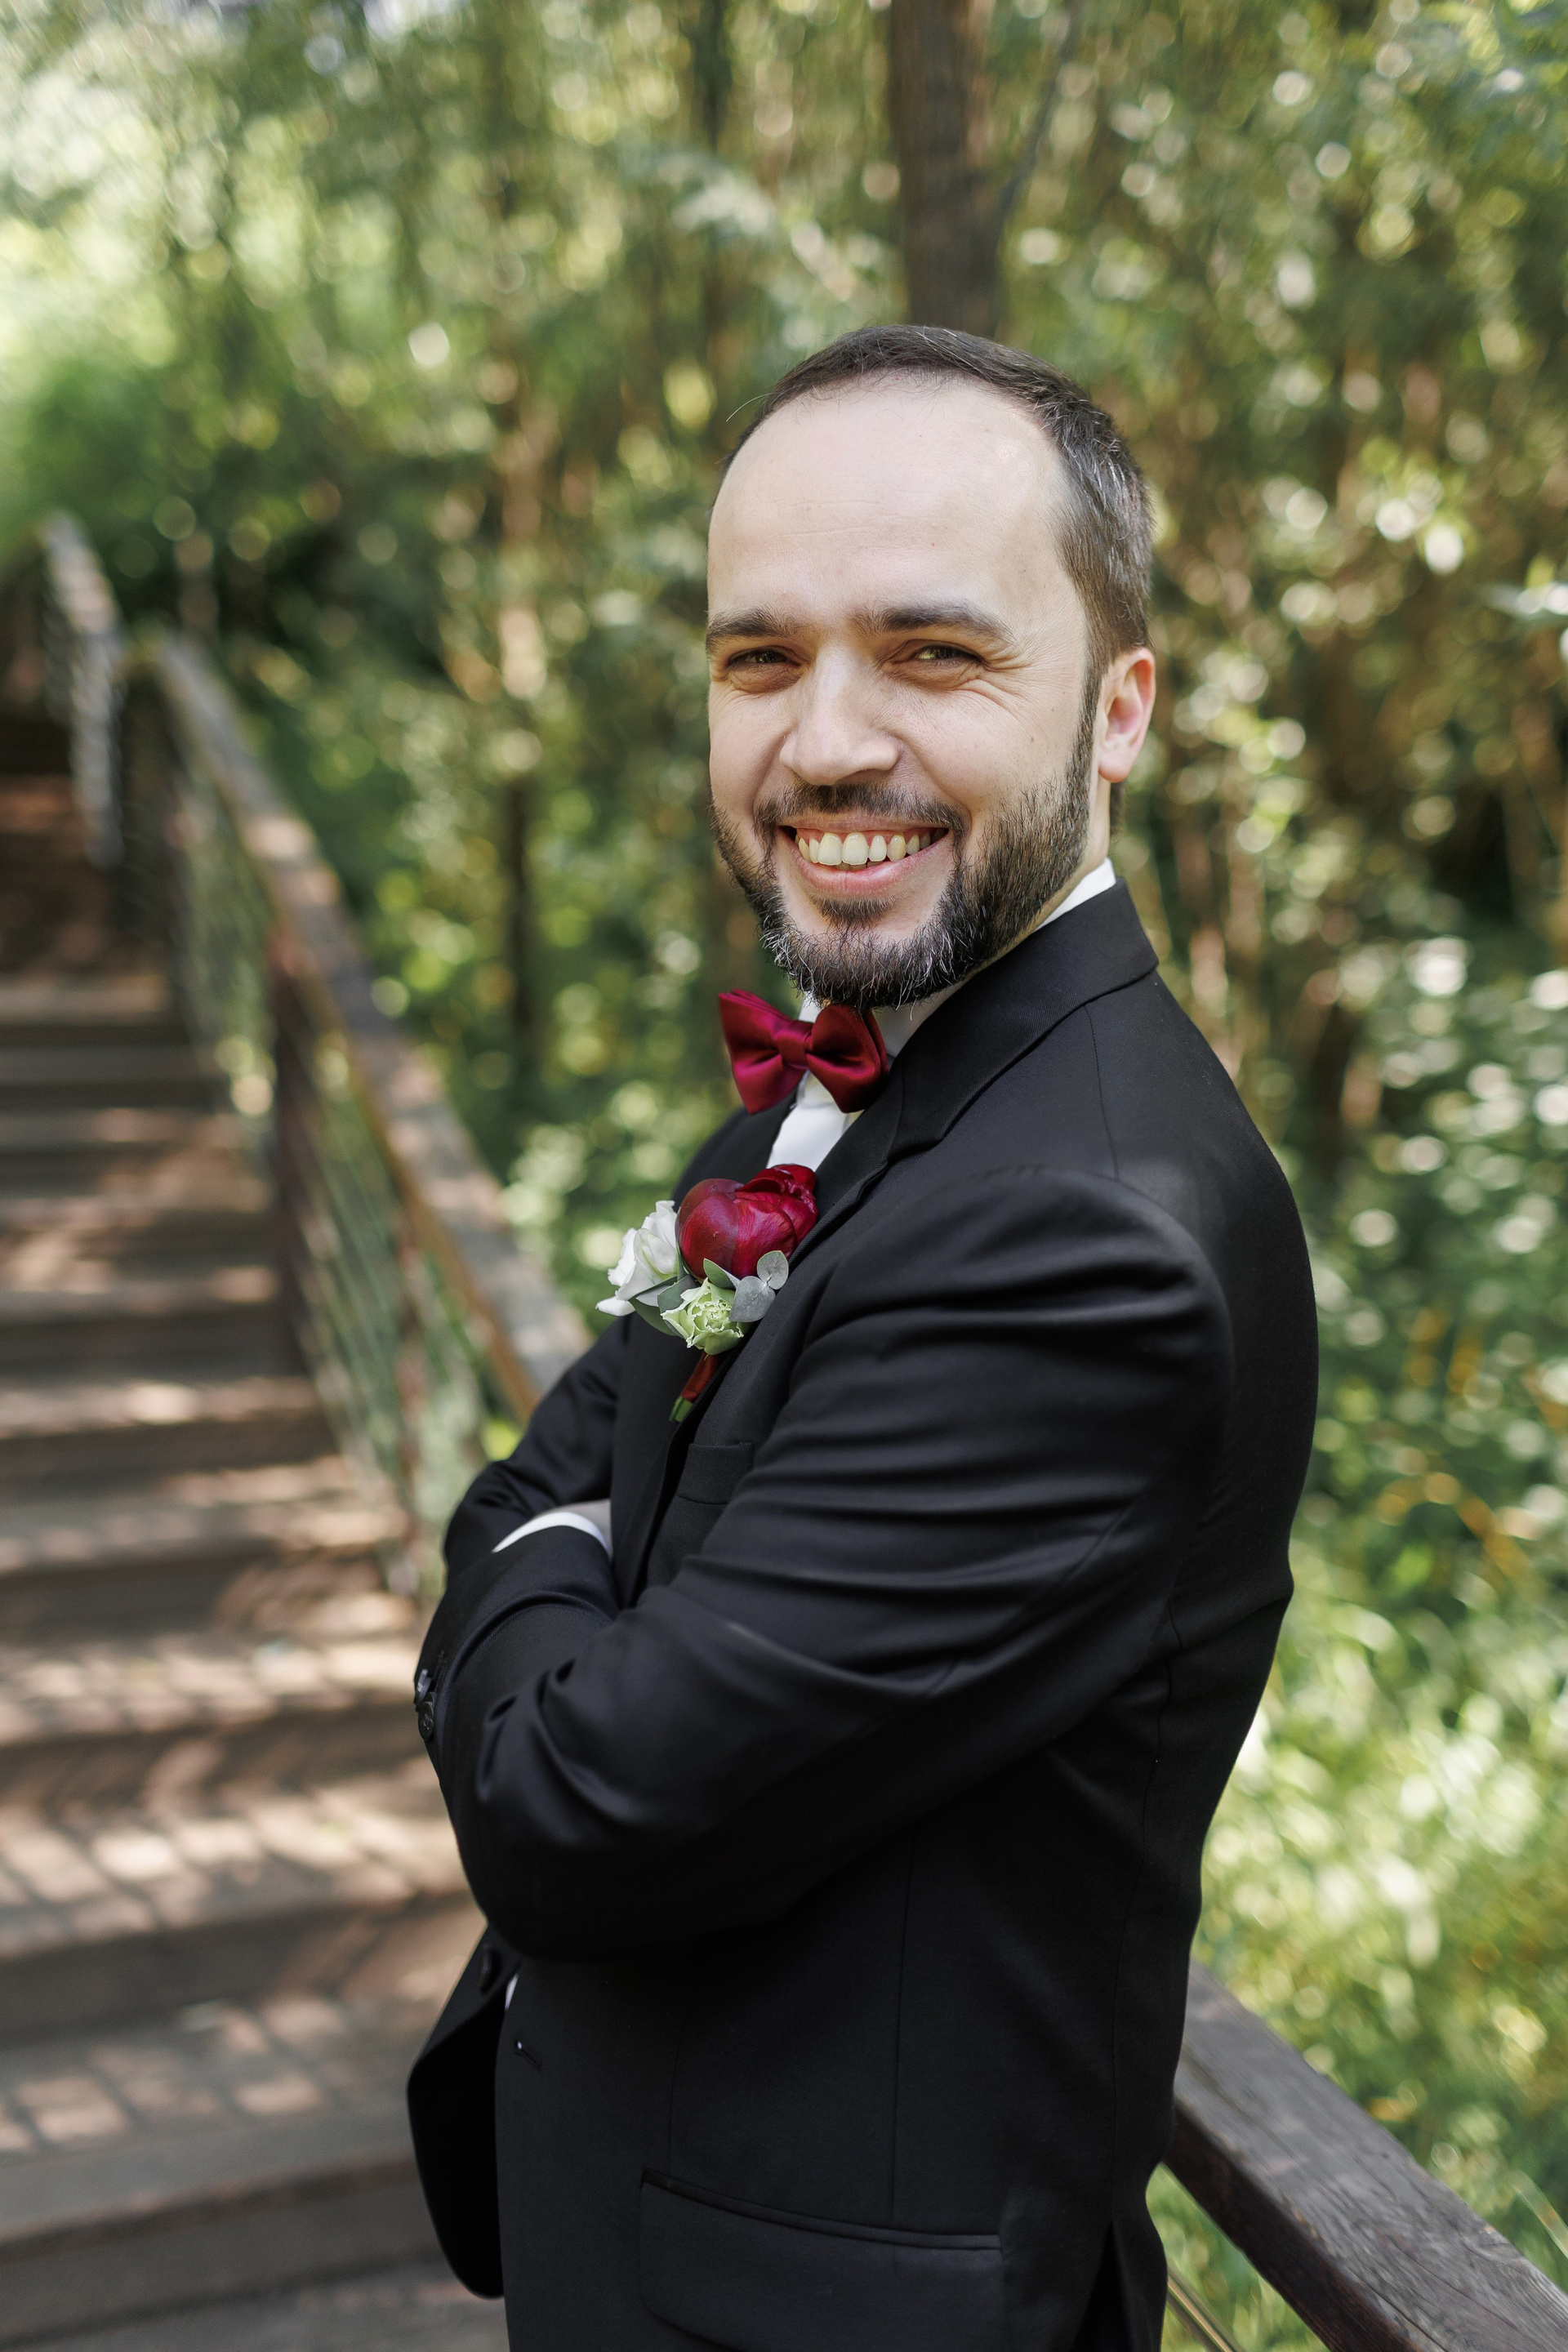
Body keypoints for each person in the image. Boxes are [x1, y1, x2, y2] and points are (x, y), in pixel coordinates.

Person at [408, 323, 1317, 2352]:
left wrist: (533, 1578)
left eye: (932, 653)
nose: (824, 741)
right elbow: (543, 1479)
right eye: (760, 659)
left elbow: (564, 1802)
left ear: (1119, 708)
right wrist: (552, 1554)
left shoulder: (1090, 1232)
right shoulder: (839, 1092)